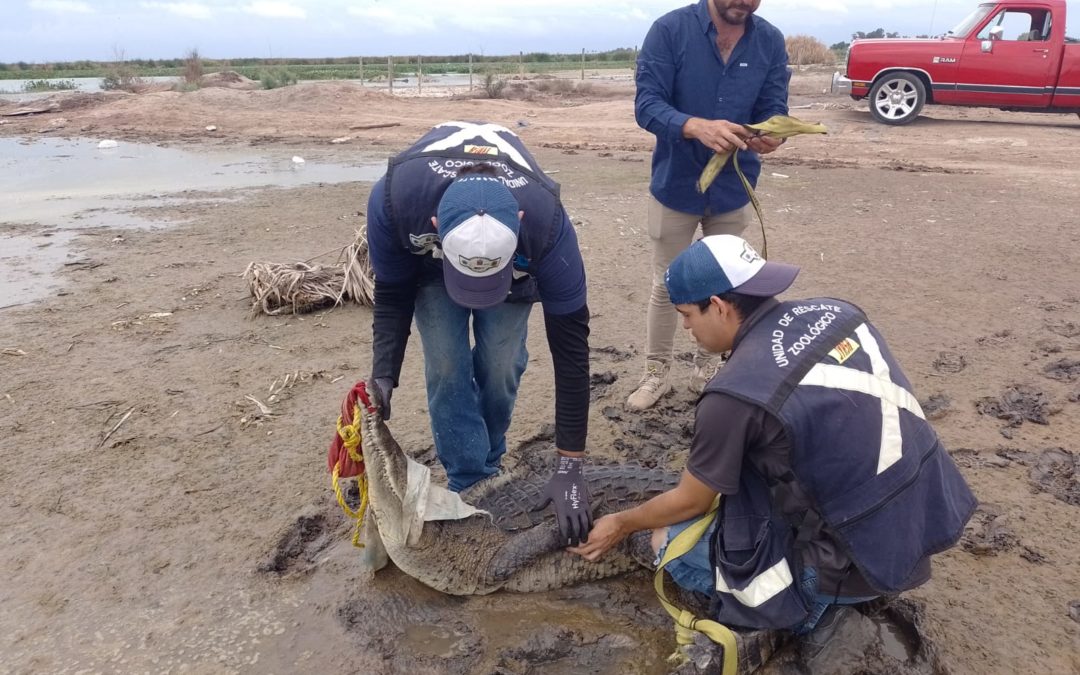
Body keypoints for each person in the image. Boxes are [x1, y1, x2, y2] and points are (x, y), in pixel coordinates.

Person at [571, 235, 975, 649]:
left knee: (667, 540)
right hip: (923, 526)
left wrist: (621, 523)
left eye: (687, 315)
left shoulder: (732, 394)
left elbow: (691, 501)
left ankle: (806, 606)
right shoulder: (839, 312)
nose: (686, 328)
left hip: (853, 567)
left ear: (720, 306)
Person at [366, 121, 593, 545]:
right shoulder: (397, 200)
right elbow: (393, 293)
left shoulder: (546, 227)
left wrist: (570, 467)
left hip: (517, 272)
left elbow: (572, 353)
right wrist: (384, 374)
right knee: (446, 362)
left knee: (501, 361)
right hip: (434, 270)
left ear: (519, 220)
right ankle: (470, 478)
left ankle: (489, 456)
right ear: (435, 223)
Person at [628, 0, 792, 410]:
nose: (744, 2)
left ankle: (708, 369)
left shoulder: (769, 40)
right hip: (675, 183)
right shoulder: (669, 30)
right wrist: (694, 126)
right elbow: (647, 105)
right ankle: (656, 373)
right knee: (667, 284)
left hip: (733, 186)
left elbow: (774, 107)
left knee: (722, 284)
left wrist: (774, 134)